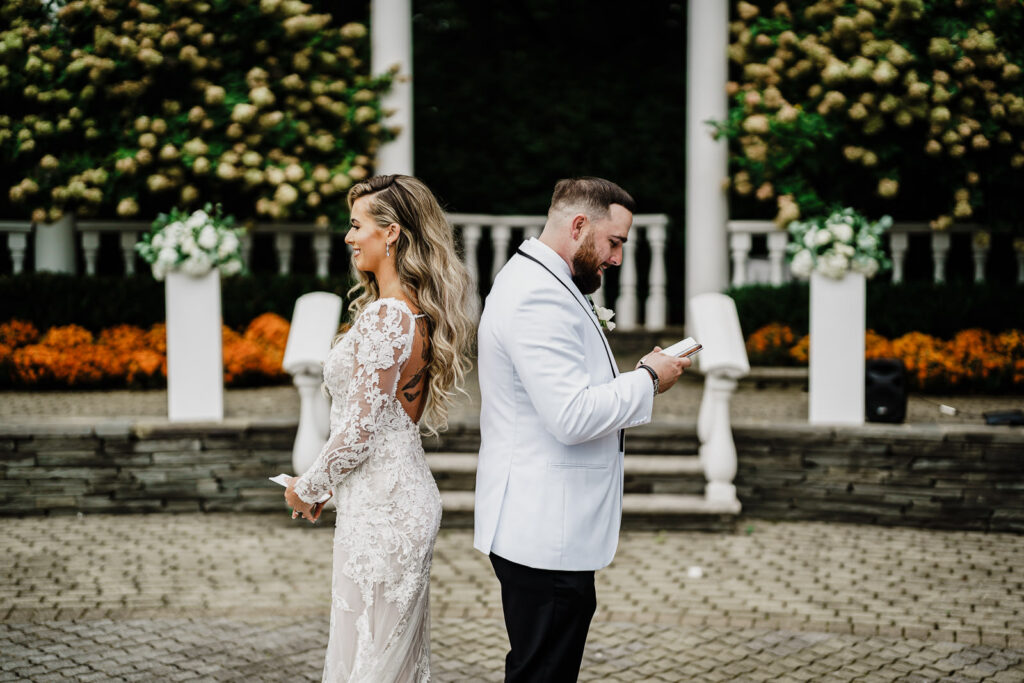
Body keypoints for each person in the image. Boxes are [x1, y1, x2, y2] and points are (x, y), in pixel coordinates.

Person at [474, 177, 689, 682]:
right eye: (614, 242)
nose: (616, 258)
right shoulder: (536, 296)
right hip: (544, 527)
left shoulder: (544, 281)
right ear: (578, 226)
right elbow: (569, 415)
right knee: (542, 672)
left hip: (549, 524)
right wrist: (648, 380)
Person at [283, 174, 475, 682]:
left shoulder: (390, 316)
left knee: (374, 661)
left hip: (386, 509)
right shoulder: (408, 308)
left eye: (356, 225)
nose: (348, 237)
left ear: (390, 233)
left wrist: (308, 485)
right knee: (379, 655)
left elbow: (360, 430)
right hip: (385, 497)